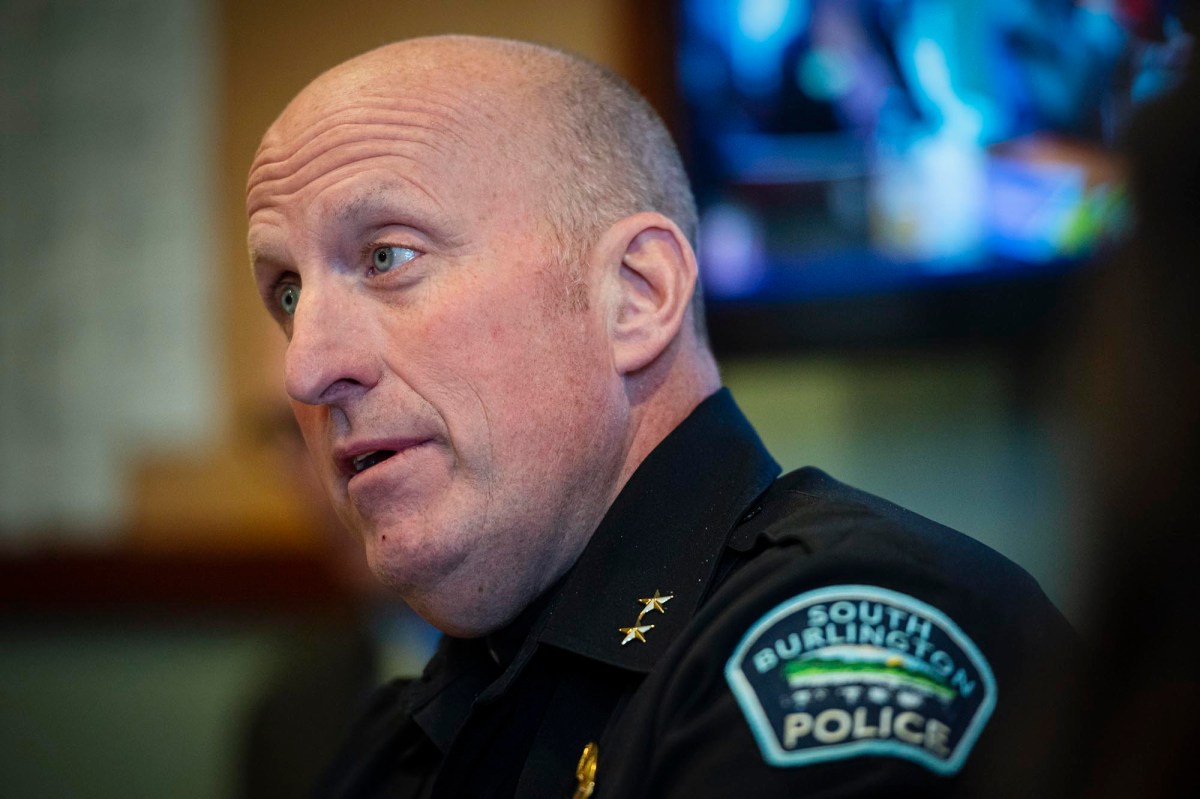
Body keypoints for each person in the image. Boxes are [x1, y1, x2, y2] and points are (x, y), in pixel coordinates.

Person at [245, 35, 1072, 799]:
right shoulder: (390, 734)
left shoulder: (843, 636)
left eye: (389, 256)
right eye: (289, 293)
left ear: (637, 296)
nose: (307, 368)